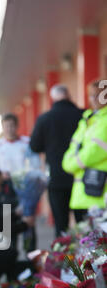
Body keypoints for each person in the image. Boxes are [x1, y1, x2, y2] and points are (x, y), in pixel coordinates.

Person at [30, 84, 83, 236]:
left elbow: (34, 146)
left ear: (52, 98)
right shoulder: (83, 115)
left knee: (61, 226)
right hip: (82, 179)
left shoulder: (44, 118)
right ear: (69, 96)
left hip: (56, 178)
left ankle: (64, 259)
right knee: (85, 225)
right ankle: (89, 259)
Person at [0, 113, 38, 251]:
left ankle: (31, 257)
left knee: (28, 222)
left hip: (24, 187)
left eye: (12, 125)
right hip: (4, 189)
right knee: (7, 222)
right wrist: (1, 175)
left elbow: (35, 164)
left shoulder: (27, 143)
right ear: (3, 127)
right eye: (6, 126)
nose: (9, 129)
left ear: (16, 126)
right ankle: (9, 255)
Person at [62, 79, 107, 216]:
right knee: (84, 236)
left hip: (100, 193)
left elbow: (95, 151)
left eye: (98, 95)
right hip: (82, 193)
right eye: (91, 95)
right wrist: (69, 163)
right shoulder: (86, 120)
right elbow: (73, 147)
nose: (94, 99)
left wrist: (72, 164)